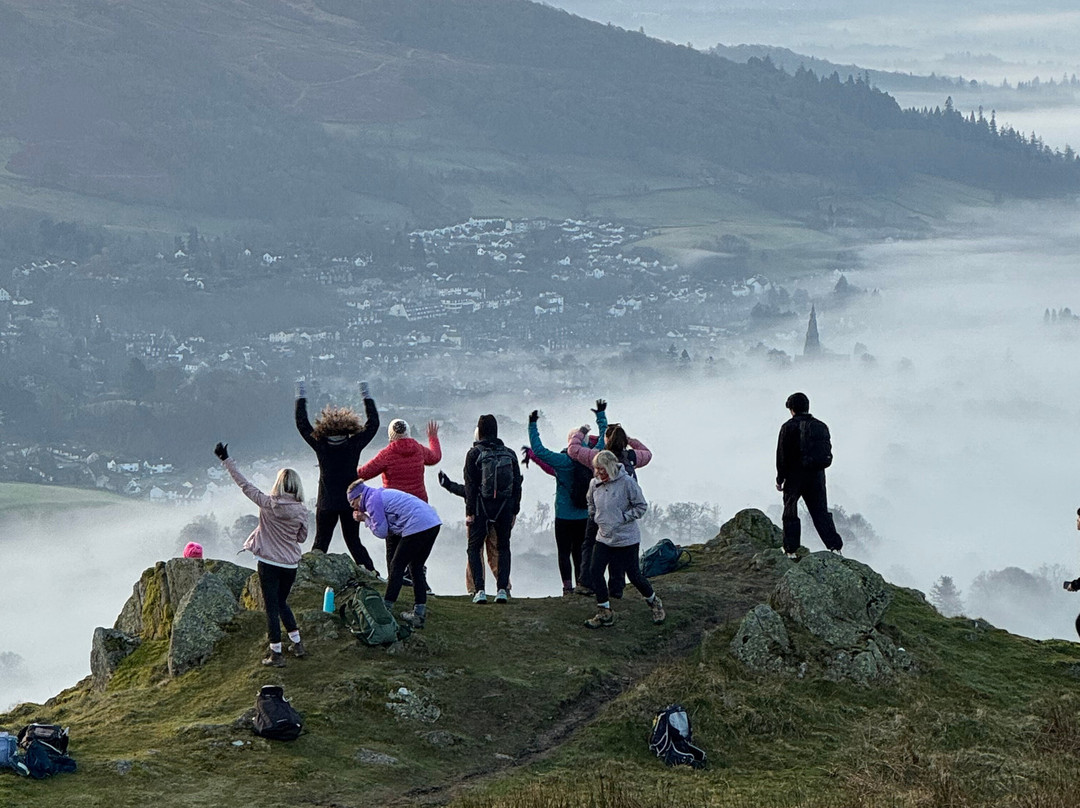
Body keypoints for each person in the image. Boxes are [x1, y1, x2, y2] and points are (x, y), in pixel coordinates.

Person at [215, 442, 308, 667]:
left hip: (268, 562)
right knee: (282, 602)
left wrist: (226, 460)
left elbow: (244, 485)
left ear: (279, 484)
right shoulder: (302, 510)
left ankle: (276, 653)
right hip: (290, 565)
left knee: (271, 607)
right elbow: (301, 538)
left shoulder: (267, 503)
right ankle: (297, 643)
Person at [295, 379, 380, 572]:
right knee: (354, 542)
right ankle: (371, 573)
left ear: (324, 428)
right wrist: (366, 395)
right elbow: (373, 424)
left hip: (326, 503)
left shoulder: (321, 445)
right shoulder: (353, 445)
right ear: (348, 427)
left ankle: (308, 574)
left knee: (320, 543)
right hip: (351, 502)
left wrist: (301, 395)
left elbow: (302, 424)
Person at [568, 409, 652, 597]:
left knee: (590, 544)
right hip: (624, 513)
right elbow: (647, 453)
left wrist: (581, 432)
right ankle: (616, 587)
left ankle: (586, 582)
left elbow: (572, 450)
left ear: (606, 439)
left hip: (600, 510)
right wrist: (629, 439)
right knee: (619, 549)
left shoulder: (598, 456)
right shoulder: (631, 457)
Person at [525, 403, 606, 595]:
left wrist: (532, 424)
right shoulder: (594, 457)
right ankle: (581, 584)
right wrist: (601, 416)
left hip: (563, 514)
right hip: (585, 514)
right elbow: (603, 440)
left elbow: (539, 450)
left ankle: (567, 587)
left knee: (564, 552)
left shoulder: (562, 461)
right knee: (580, 551)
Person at [584, 450, 665, 629]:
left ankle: (654, 602)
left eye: (602, 469)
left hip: (626, 538)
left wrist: (622, 517)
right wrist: (595, 516)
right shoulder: (594, 484)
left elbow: (641, 506)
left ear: (611, 467)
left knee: (634, 575)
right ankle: (604, 611)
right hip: (604, 537)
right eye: (596, 469)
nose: (598, 473)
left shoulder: (627, 482)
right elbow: (590, 502)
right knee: (595, 571)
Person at [347, 480, 441, 629]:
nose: (354, 506)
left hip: (418, 525)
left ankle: (386, 608)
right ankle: (419, 613)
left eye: (353, 502)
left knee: (397, 566)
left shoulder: (372, 501)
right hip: (432, 522)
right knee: (416, 567)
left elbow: (381, 532)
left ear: (359, 496)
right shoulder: (379, 494)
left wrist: (365, 518)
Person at [357, 417, 442, 579]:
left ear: (391, 436)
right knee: (415, 547)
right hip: (419, 508)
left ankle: (396, 581)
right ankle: (416, 580)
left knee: (393, 548)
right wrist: (433, 438)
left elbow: (362, 474)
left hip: (394, 510)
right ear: (408, 433)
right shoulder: (418, 449)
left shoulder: (386, 455)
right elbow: (435, 457)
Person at [775, 391, 843, 558]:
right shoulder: (820, 426)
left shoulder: (787, 427)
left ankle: (790, 550)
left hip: (794, 476)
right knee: (820, 512)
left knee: (790, 511)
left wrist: (780, 478)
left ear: (792, 409)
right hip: (817, 476)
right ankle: (835, 547)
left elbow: (781, 455)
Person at [463, 414, 522, 604]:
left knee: (474, 548)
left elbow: (470, 486)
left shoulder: (474, 454)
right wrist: (515, 511)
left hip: (481, 508)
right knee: (503, 548)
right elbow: (517, 485)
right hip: (505, 508)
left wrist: (470, 512)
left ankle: (479, 590)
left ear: (479, 432)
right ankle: (502, 590)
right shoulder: (510, 453)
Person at [438, 470, 506, 595]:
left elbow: (465, 491)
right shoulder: (496, 483)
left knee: (474, 554)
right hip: (496, 518)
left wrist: (448, 484)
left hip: (476, 519)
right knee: (495, 553)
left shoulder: (474, 480)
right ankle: (504, 586)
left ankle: (474, 589)